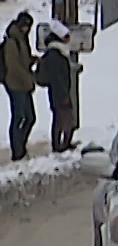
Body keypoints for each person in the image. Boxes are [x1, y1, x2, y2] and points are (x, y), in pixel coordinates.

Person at [37, 21, 75, 153]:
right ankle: (59, 145)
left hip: (59, 92)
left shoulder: (58, 52)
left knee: (61, 118)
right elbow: (58, 78)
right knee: (63, 119)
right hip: (59, 93)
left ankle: (61, 144)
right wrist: (64, 95)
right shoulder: (56, 54)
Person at [2, 13, 32, 161]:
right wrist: (28, 79)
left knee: (30, 117)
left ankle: (20, 145)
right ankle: (17, 151)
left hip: (24, 84)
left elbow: (23, 61)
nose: (27, 29)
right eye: (25, 25)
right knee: (19, 117)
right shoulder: (12, 41)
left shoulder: (22, 39)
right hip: (15, 84)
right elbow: (13, 66)